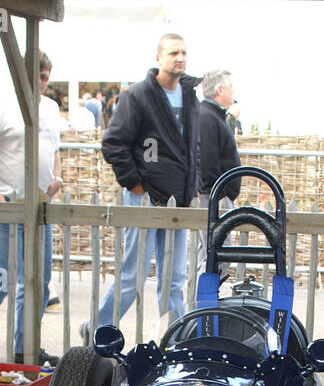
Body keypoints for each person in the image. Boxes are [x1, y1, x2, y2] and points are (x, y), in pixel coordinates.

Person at [82, 33, 200, 341]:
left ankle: (174, 339)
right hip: (145, 198)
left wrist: (193, 186)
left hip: (178, 201)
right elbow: (114, 143)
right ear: (158, 58)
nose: (180, 58)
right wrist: (135, 185)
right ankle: (97, 330)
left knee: (174, 280)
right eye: (173, 52)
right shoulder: (138, 96)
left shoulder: (190, 97)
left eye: (184, 52)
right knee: (132, 277)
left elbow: (192, 146)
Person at [0, 52, 63, 364]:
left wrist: (57, 177)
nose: (41, 81)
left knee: (39, 279)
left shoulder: (50, 107)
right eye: (36, 74)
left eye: (45, 75)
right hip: (7, 205)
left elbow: (54, 148)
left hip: (40, 207)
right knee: (4, 277)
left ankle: (25, 345)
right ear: (18, 74)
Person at [197, 70, 241, 200]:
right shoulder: (207, 118)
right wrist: (220, 195)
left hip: (219, 197)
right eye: (231, 87)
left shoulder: (214, 116)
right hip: (214, 199)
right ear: (220, 90)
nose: (233, 91)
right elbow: (208, 162)